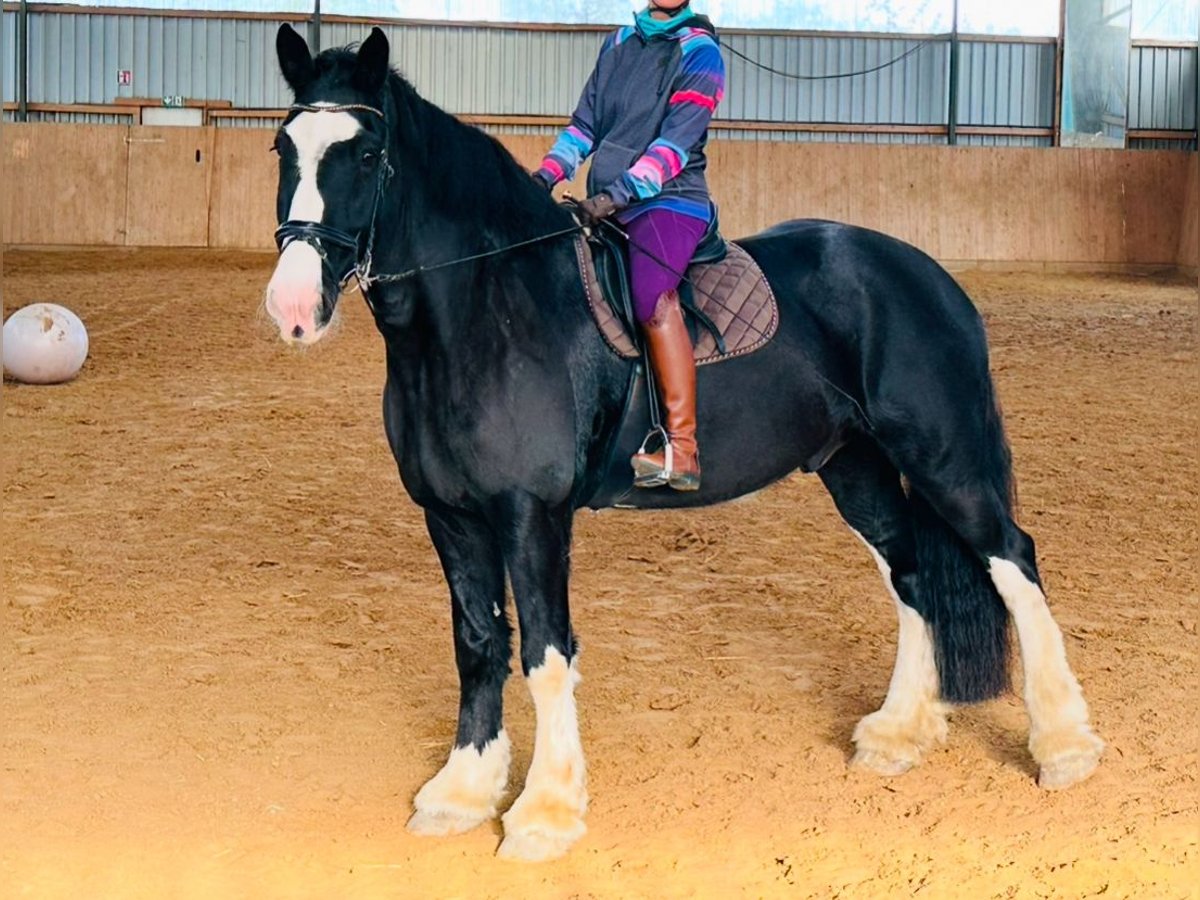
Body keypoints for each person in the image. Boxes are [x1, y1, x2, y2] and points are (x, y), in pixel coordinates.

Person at [532, 1, 725, 492]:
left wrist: (615, 196)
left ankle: (682, 446)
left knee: (650, 297)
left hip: (669, 201)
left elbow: (675, 146)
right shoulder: (618, 43)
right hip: (608, 200)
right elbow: (583, 127)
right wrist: (545, 176)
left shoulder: (700, 52)